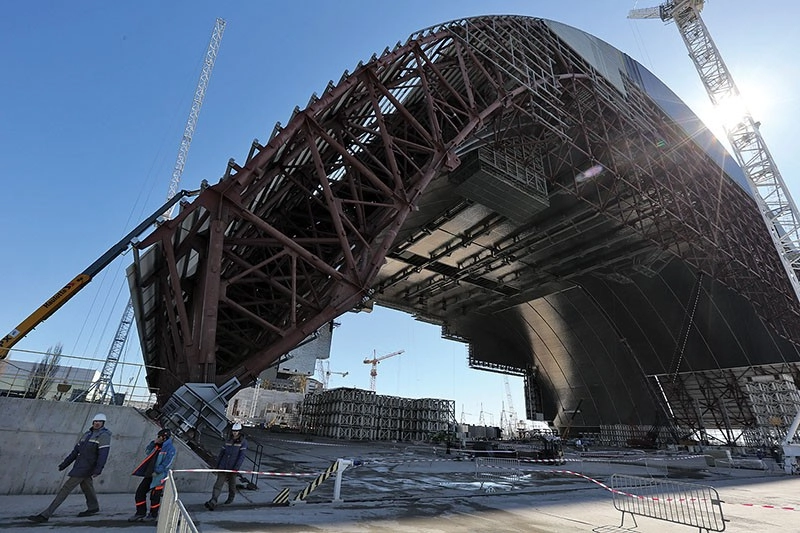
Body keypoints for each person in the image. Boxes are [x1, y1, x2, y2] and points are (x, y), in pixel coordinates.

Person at [27, 413, 112, 523]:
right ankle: (93, 507)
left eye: (99, 421)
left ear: (103, 423)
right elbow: (75, 451)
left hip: (86, 468)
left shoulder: (103, 436)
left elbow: (103, 454)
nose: (97, 423)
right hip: (80, 466)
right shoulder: (87, 434)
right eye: (95, 421)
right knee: (87, 487)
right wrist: (65, 464)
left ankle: (45, 515)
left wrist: (98, 469)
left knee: (65, 489)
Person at [128, 428, 177, 522]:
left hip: (159, 477)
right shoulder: (156, 446)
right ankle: (140, 513)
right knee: (140, 493)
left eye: (159, 436)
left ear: (164, 437)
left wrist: (158, 471)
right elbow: (147, 451)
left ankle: (153, 514)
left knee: (155, 496)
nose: (157, 438)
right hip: (149, 474)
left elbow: (167, 463)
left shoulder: (170, 449)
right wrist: (153, 443)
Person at [205, 422, 248, 510]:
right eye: (233, 431)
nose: (234, 433)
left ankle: (230, 498)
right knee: (218, 484)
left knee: (232, 484)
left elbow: (241, 456)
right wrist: (217, 465)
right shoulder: (228, 440)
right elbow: (222, 453)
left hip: (233, 467)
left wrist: (236, 468)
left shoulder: (243, 442)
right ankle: (213, 500)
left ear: (239, 431)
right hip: (223, 466)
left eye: (236, 431)